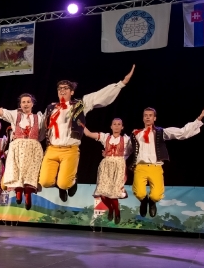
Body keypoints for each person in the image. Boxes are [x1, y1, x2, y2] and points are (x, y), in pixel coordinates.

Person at [39, 65, 136, 202]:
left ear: (72, 92)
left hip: (70, 149)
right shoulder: (51, 108)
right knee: (45, 182)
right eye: (59, 89)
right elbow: (43, 127)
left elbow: (99, 95)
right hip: (52, 149)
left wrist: (121, 84)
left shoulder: (80, 104)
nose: (62, 91)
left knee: (64, 183)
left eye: (65, 88)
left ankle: (69, 183)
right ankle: (61, 185)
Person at [130, 107, 204, 218]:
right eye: (145, 115)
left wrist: (197, 121)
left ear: (154, 118)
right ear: (143, 118)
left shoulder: (161, 132)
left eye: (150, 115)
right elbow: (127, 148)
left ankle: (152, 202)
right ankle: (144, 201)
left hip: (156, 167)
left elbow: (181, 133)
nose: (147, 117)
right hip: (140, 167)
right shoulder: (136, 134)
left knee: (156, 196)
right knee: (140, 193)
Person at [81, 118, 132, 224]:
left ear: (122, 127)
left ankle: (117, 213)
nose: (117, 126)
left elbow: (132, 150)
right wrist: (81, 124)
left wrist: (124, 157)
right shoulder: (105, 137)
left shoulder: (126, 140)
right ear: (111, 126)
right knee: (103, 193)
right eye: (114, 124)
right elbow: (89, 134)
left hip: (119, 167)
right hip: (106, 166)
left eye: (119, 124)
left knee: (114, 192)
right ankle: (111, 209)